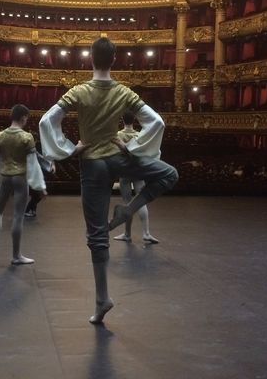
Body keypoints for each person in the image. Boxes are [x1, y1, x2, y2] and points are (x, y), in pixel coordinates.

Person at [39, 37, 178, 324]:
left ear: (91, 58)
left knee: (97, 236)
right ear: (113, 60)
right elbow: (157, 122)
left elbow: (46, 121)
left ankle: (102, 299)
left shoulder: (78, 91)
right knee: (169, 174)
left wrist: (68, 148)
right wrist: (134, 147)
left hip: (91, 164)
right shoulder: (124, 92)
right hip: (118, 157)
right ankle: (129, 209)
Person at [0, 104, 46, 265]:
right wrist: (40, 186)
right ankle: (16, 255)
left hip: (5, 176)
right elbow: (32, 164)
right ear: (23, 117)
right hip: (20, 178)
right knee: (17, 216)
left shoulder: (0, 136)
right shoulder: (26, 137)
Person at [112, 111, 159, 244]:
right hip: (138, 171)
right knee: (141, 200)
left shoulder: (118, 135)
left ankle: (127, 234)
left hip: (125, 172)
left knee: (127, 203)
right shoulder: (139, 135)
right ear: (134, 120)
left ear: (122, 119)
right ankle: (146, 233)